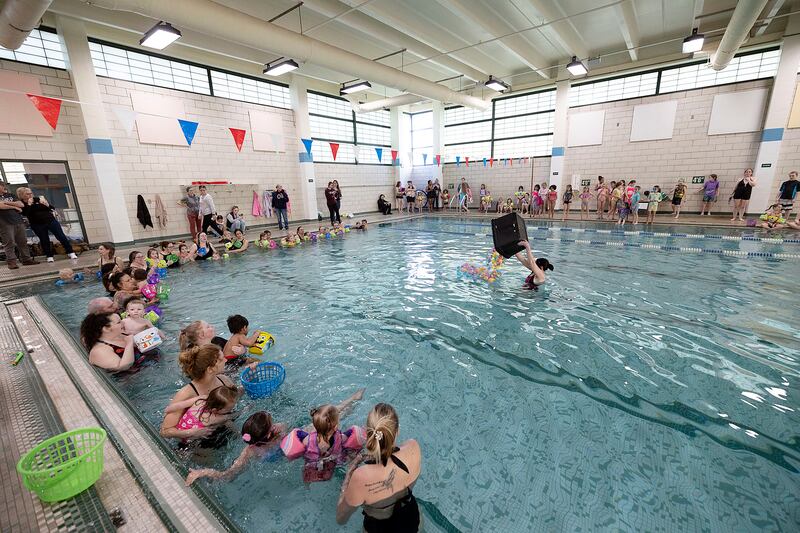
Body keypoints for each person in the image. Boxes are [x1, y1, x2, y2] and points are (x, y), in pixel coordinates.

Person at [185, 389, 364, 485]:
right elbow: (288, 428)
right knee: (325, 423)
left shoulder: (250, 451)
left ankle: (349, 404)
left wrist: (205, 472)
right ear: (271, 431)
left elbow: (228, 474)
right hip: (298, 446)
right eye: (272, 423)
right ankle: (351, 401)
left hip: (289, 458)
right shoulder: (281, 431)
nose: (275, 423)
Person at [336, 403, 421, 531]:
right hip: (412, 520)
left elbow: (341, 519)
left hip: (379, 528)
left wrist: (348, 477)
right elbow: (394, 456)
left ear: (368, 434)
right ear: (397, 431)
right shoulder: (413, 447)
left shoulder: (360, 476)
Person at [160, 344, 239, 440]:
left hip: (225, 427)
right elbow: (164, 431)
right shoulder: (186, 394)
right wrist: (192, 432)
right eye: (222, 359)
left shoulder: (224, 380)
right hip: (199, 440)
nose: (226, 360)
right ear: (210, 369)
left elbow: (236, 396)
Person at [16, 187, 78, 263]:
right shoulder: (22, 204)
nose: (30, 195)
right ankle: (49, 256)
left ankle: (70, 252)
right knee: (44, 239)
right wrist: (29, 204)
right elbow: (25, 213)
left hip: (50, 220)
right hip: (37, 224)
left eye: (31, 193)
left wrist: (47, 204)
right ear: (22, 195)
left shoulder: (37, 199)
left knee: (61, 236)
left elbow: (51, 208)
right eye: (27, 194)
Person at [0, 181, 39, 270]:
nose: (2, 187)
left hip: (18, 221)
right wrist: (14, 207)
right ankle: (12, 262)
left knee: (22, 242)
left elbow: (21, 204)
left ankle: (26, 259)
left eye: (2, 185)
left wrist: (7, 203)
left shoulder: (10, 195)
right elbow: (1, 206)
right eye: (1, 185)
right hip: (5, 223)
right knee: (9, 243)